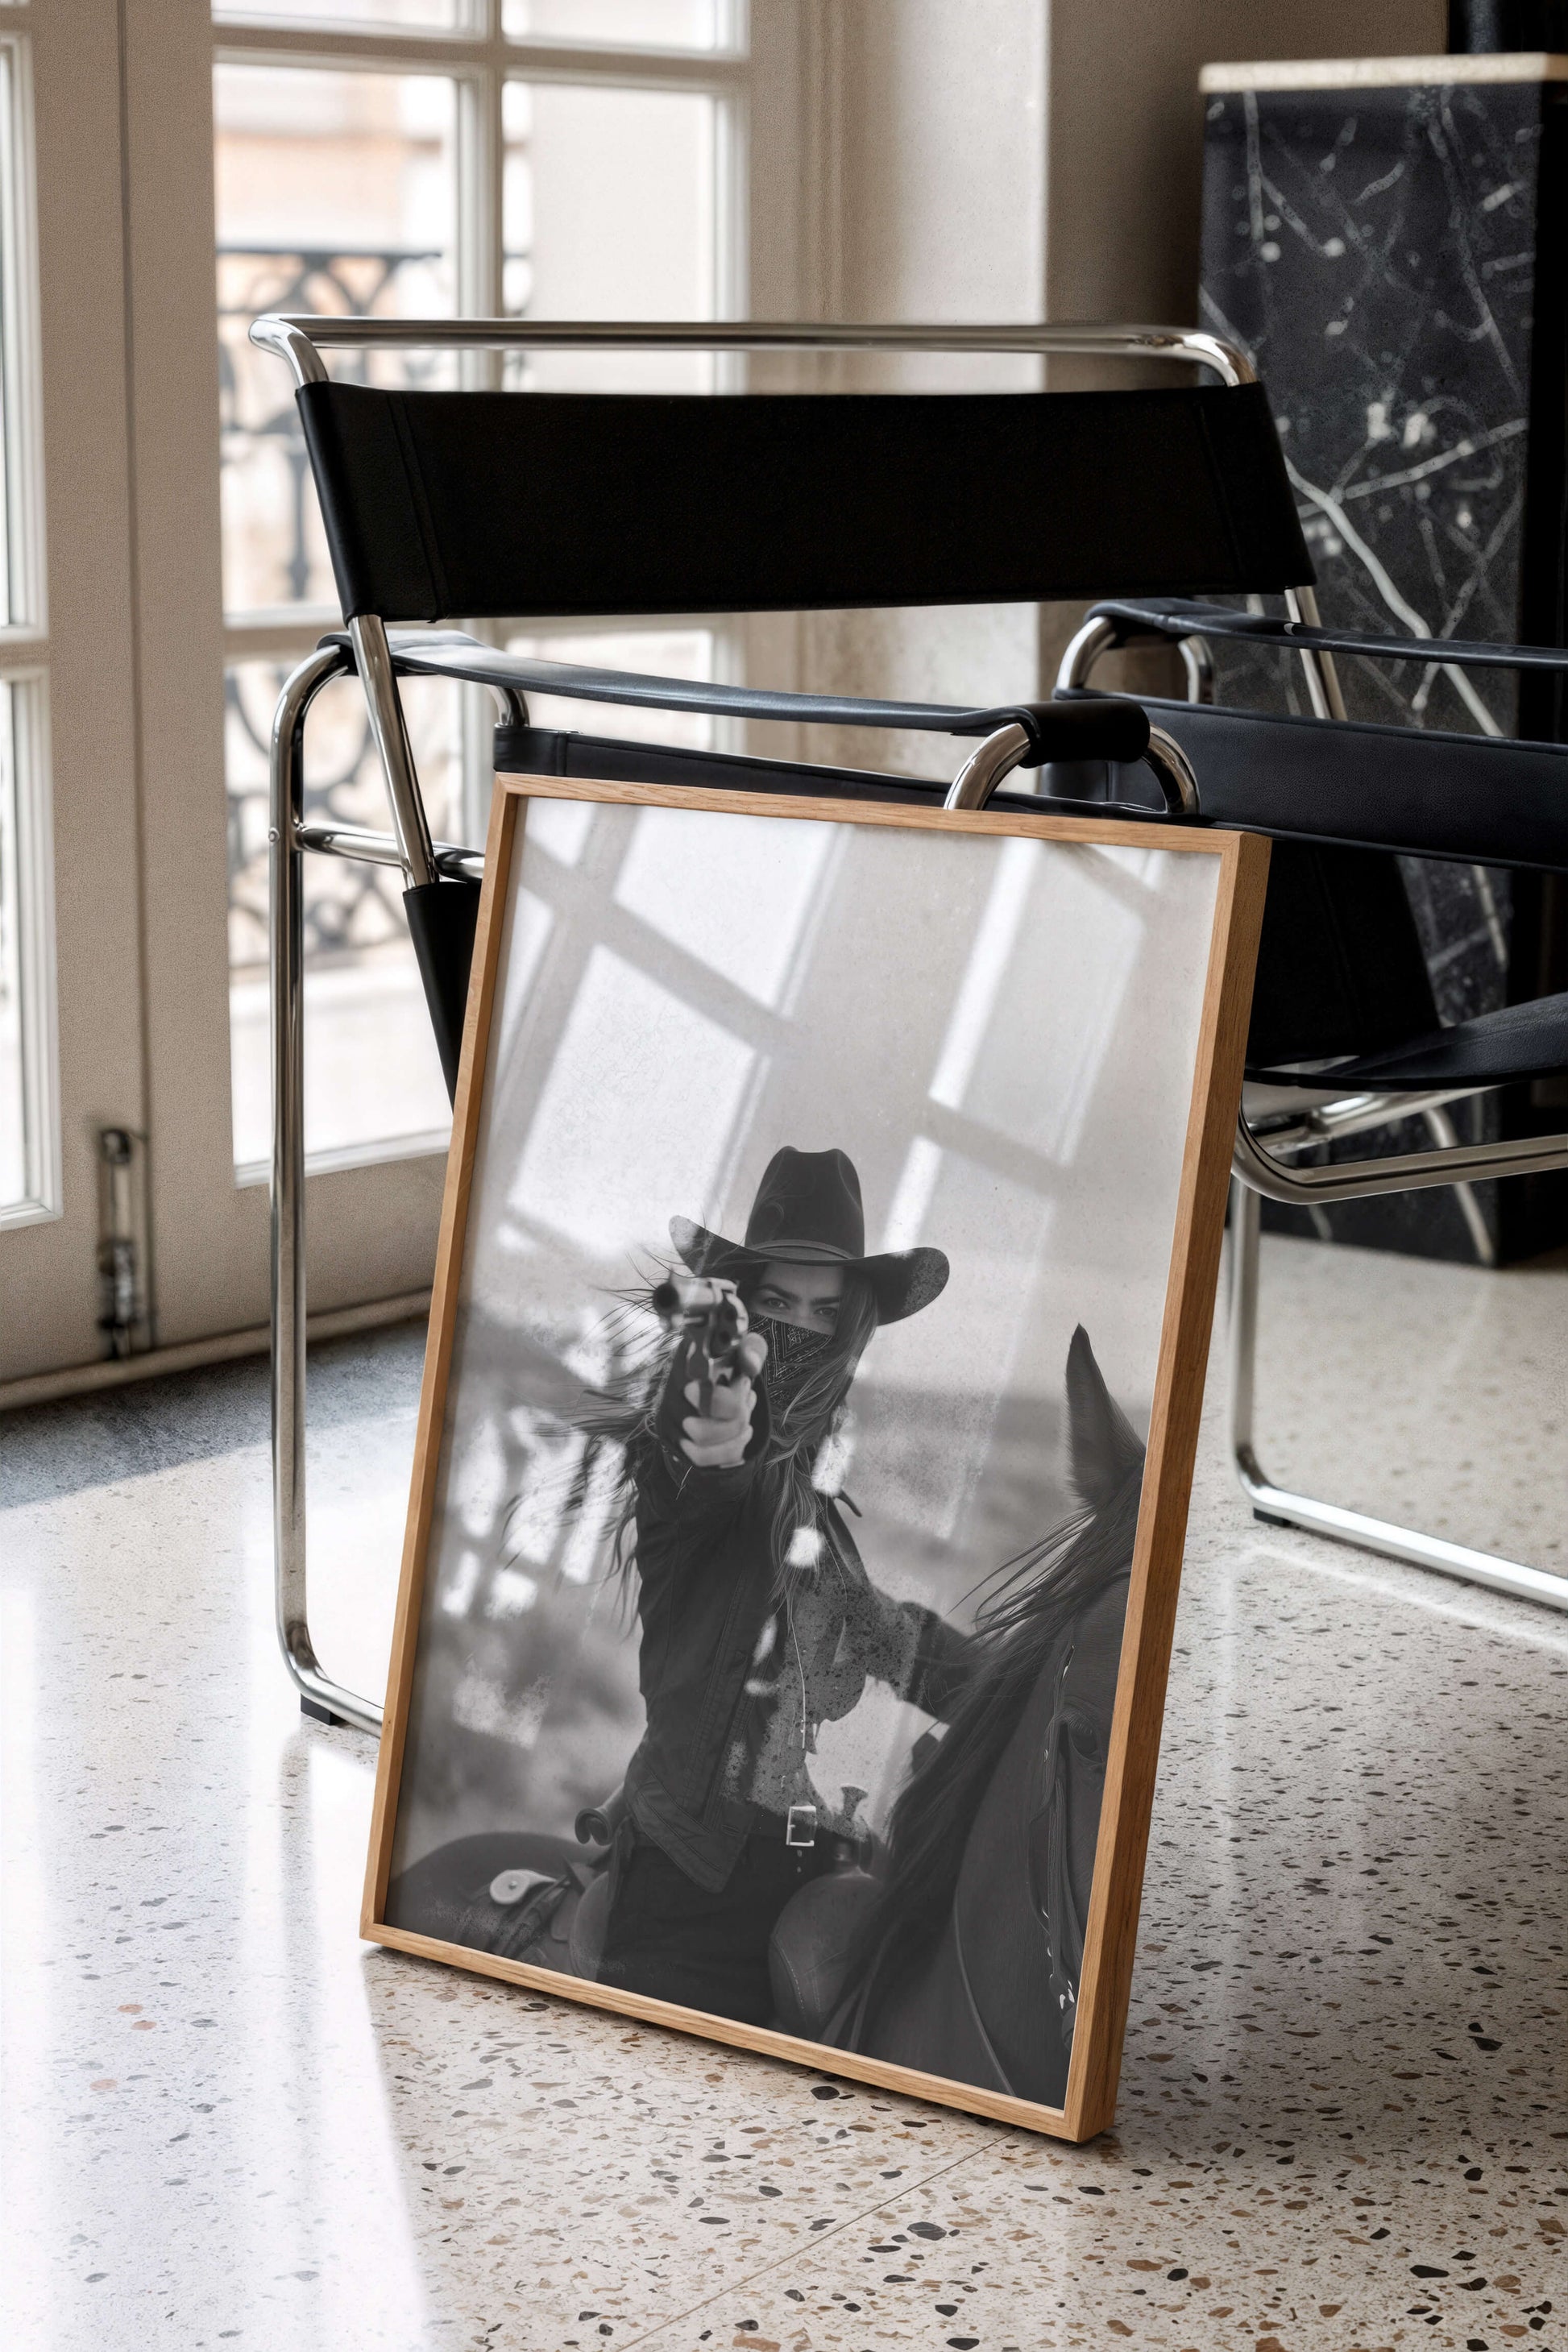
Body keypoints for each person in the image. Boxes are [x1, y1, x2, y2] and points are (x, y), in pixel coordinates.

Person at [595, 1145, 972, 2028]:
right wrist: (715, 1417)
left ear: (851, 1330)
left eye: (824, 1311)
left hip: (818, 1870)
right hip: (694, 1898)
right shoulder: (687, 1467)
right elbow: (709, 1459)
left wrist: (1026, 1681)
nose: (801, 1330)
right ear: (742, 1308)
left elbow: (878, 1630)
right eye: (777, 1303)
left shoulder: (813, 1512)